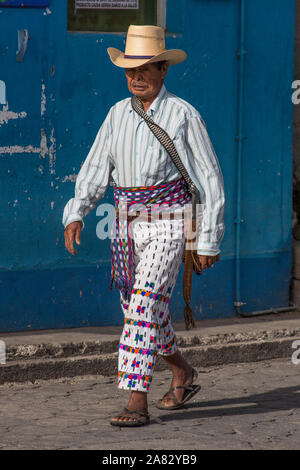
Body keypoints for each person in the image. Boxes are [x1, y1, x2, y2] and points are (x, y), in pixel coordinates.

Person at [63, 25, 225, 427]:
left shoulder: (183, 115)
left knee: (142, 307)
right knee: (146, 313)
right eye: (130, 70)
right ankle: (183, 372)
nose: (137, 76)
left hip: (172, 223)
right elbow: (97, 167)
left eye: (146, 68)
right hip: (126, 229)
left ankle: (137, 400)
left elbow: (210, 180)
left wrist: (208, 239)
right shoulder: (117, 115)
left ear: (163, 70)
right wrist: (77, 211)